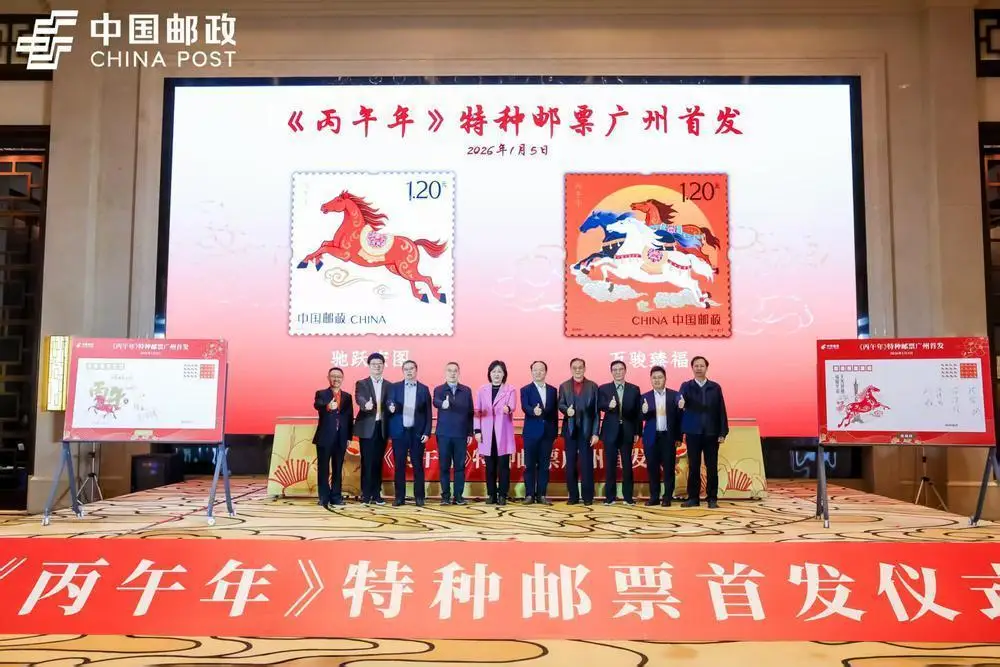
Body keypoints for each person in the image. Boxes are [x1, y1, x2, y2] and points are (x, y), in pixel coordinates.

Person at [678, 355, 729, 508]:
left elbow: (721, 410)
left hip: (711, 433)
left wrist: (722, 432)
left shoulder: (715, 387)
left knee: (711, 466)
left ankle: (712, 498)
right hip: (693, 432)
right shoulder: (686, 386)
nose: (699, 368)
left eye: (701, 366)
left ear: (706, 368)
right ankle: (693, 498)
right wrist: (680, 402)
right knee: (694, 466)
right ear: (692, 368)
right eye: (696, 366)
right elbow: (679, 402)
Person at [387, 360, 432, 506]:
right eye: (406, 369)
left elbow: (428, 413)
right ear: (402, 371)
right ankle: (399, 497)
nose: (409, 371)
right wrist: (390, 406)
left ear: (416, 370)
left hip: (417, 433)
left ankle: (419, 497)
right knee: (399, 465)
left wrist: (427, 432)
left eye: (411, 368)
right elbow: (389, 402)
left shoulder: (424, 389)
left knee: (417, 465)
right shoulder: (395, 387)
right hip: (400, 433)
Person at [598, 360, 642, 505]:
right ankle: (610, 497)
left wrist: (637, 431)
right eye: (615, 370)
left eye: (620, 369)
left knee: (627, 465)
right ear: (611, 372)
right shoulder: (604, 388)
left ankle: (628, 497)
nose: (618, 372)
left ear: (625, 370)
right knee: (610, 465)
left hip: (628, 431)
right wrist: (608, 406)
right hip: (610, 431)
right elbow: (598, 406)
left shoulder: (634, 389)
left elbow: (638, 413)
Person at [557, 358, 600, 506]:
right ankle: (573, 496)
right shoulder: (564, 386)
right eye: (574, 367)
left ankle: (588, 497)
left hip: (587, 431)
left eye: (580, 367)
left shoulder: (593, 386)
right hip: (570, 430)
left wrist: (595, 433)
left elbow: (596, 412)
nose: (577, 370)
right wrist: (566, 410)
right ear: (571, 369)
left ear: (584, 368)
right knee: (570, 464)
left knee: (586, 464)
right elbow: (560, 404)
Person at [473, 360, 517, 505]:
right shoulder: (482, 390)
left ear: (504, 374)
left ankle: (503, 494)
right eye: (494, 372)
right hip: (487, 434)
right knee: (490, 466)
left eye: (499, 372)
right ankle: (491, 494)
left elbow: (512, 406)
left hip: (503, 433)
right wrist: (477, 430)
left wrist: (507, 409)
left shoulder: (510, 389)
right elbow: (477, 411)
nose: (496, 374)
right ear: (489, 374)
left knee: (503, 466)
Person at [639, 365, 682, 506]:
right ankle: (654, 497)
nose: (657, 380)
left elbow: (679, 418)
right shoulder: (644, 397)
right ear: (650, 379)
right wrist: (644, 411)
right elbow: (639, 418)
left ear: (665, 379)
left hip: (668, 437)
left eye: (660, 377)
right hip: (651, 437)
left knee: (669, 468)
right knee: (652, 468)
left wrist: (679, 437)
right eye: (654, 378)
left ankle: (667, 497)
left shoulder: (674, 395)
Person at [432, 362, 474, 505]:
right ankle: (445, 496)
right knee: (444, 467)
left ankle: (458, 496)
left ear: (459, 373)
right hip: (444, 434)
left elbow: (470, 413)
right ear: (445, 373)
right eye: (449, 371)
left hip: (461, 434)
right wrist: (442, 404)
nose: (452, 373)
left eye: (455, 371)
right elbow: (435, 401)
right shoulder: (439, 389)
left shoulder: (466, 390)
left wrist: (470, 433)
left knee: (459, 467)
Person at [312, 367, 354, 510]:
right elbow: (317, 405)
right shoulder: (321, 393)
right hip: (325, 437)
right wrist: (328, 406)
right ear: (328, 378)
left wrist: (349, 436)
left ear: (342, 379)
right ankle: (323, 497)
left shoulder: (347, 396)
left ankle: (336, 497)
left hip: (341, 438)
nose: (336, 379)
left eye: (339, 377)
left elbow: (349, 417)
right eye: (333, 376)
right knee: (323, 468)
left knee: (338, 468)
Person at [520, 360, 558, 505]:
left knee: (544, 466)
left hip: (547, 434)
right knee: (529, 465)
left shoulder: (553, 390)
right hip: (531, 433)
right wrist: (533, 411)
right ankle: (529, 494)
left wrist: (554, 433)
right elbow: (525, 406)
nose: (538, 372)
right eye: (535, 370)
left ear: (545, 372)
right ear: (531, 372)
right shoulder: (525, 389)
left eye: (541, 370)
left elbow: (554, 414)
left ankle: (541, 495)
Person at [354, 352, 390, 505]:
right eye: (374, 364)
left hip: (382, 427)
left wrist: (392, 406)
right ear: (369, 366)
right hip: (367, 428)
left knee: (378, 461)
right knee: (367, 461)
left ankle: (376, 494)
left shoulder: (389, 385)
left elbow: (390, 402)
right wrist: (365, 405)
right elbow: (359, 398)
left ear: (383, 366)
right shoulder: (362, 383)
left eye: (380, 364)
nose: (377, 366)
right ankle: (366, 494)